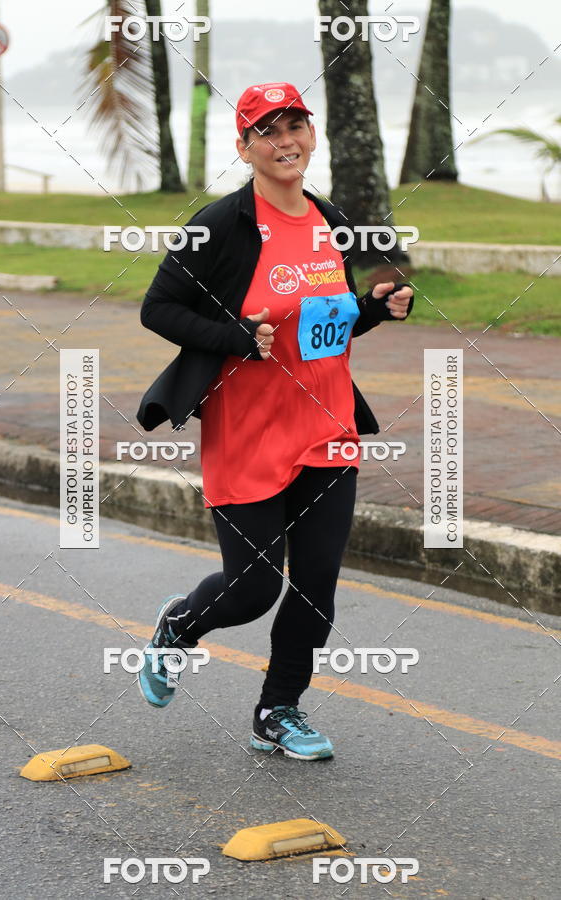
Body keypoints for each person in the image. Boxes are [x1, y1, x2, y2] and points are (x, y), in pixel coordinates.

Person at [136, 82, 414, 761]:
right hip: (247, 432)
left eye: (295, 125)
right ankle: (178, 627)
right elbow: (159, 309)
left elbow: (327, 321)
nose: (284, 140)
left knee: (317, 582)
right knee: (254, 587)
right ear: (245, 147)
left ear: (311, 135)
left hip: (326, 426)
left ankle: (278, 710)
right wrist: (236, 336)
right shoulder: (222, 225)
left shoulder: (329, 218)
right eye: (268, 130)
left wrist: (377, 307)